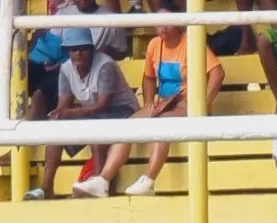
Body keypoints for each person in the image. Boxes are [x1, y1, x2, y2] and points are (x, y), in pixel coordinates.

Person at [80, 0, 225, 199]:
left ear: (179, 24)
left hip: (187, 103)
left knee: (161, 124)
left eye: (167, 23)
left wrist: (203, 103)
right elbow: (148, 77)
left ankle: (148, 180)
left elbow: (217, 73)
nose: (161, 27)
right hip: (163, 103)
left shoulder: (192, 42)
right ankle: (103, 180)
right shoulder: (154, 44)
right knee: (128, 125)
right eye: (158, 22)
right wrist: (149, 103)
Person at [27, 30, 138, 199]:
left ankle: (100, 182)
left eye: (82, 49)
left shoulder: (105, 65)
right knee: (56, 124)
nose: (78, 53)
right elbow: (63, 105)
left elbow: (102, 105)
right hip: (93, 112)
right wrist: (58, 114)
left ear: (92, 50)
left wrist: (68, 112)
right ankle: (47, 186)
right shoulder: (65, 69)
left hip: (122, 110)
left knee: (95, 124)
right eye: (73, 49)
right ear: (67, 52)